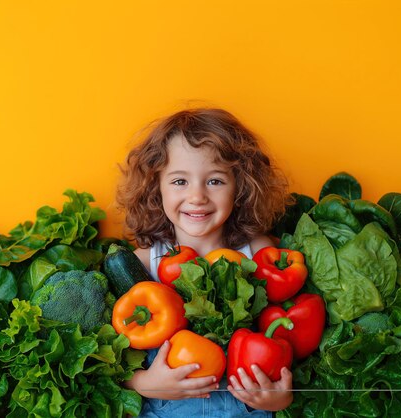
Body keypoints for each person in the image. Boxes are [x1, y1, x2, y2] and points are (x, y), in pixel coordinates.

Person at [115, 108, 293, 417]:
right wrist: (144, 382)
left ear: (240, 186)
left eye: (214, 181)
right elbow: (111, 359)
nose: (197, 196)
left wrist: (280, 400)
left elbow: (287, 345)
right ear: (156, 186)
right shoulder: (142, 264)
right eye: (180, 181)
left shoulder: (261, 254)